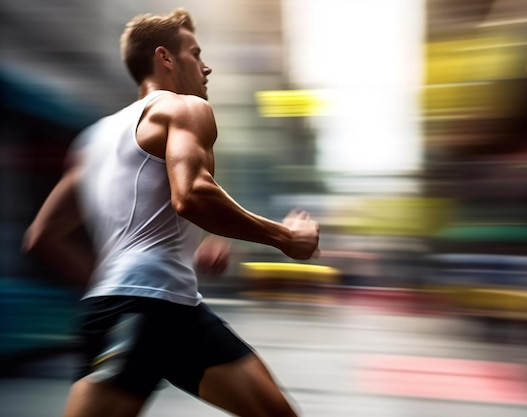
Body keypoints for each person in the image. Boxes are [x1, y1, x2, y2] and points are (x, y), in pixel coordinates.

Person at [22, 8, 319, 417]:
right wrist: (284, 237)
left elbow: (42, 237)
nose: (206, 65)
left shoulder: (93, 140)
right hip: (150, 308)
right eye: (195, 53)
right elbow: (193, 195)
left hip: (173, 308)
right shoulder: (183, 109)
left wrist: (122, 283)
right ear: (165, 58)